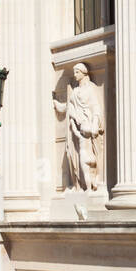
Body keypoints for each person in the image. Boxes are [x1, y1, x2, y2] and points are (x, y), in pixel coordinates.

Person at [52, 63, 105, 191]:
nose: (74, 75)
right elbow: (69, 108)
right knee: (73, 154)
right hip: (79, 127)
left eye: (77, 72)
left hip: (89, 128)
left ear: (84, 73)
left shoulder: (90, 89)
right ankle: (84, 185)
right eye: (74, 72)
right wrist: (73, 117)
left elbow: (96, 107)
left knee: (93, 158)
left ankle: (94, 181)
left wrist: (94, 124)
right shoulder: (75, 91)